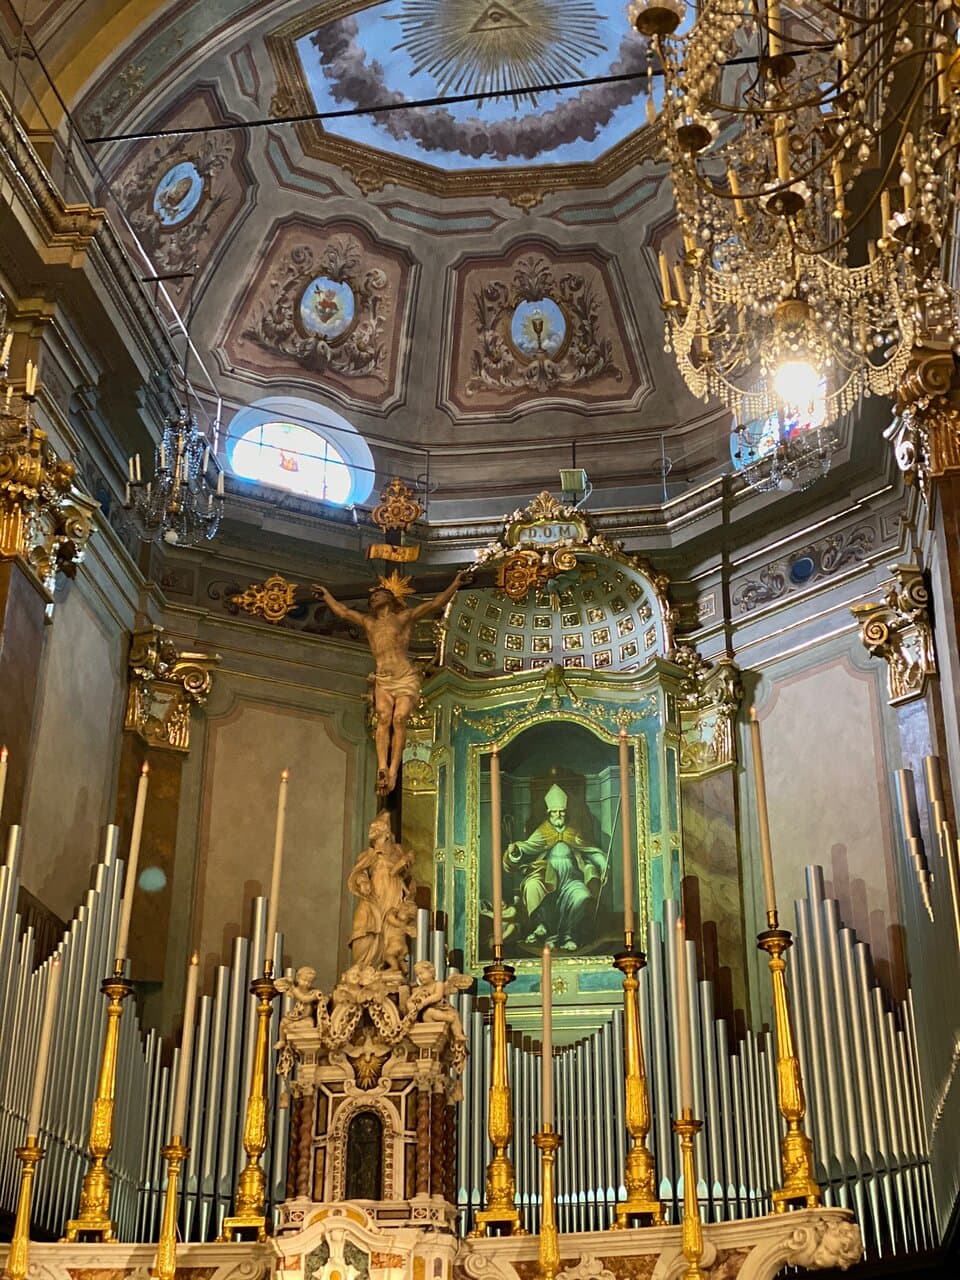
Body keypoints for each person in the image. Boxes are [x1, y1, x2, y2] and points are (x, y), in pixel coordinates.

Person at [314, 570, 468, 794]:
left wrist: (455, 584)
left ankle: (394, 769)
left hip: (405, 676)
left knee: (399, 718)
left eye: (379, 595)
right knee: (384, 717)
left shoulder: (403, 618)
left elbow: (435, 603)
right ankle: (382, 767)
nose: (374, 598)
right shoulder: (368, 623)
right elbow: (344, 612)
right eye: (372, 598)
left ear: (391, 598)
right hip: (383, 679)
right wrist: (327, 596)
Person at [503, 782, 608, 952]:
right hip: (547, 877)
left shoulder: (574, 831)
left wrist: (602, 864)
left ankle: (570, 935)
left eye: (562, 812)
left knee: (582, 895)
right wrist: (515, 851)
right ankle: (545, 930)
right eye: (555, 812)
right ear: (549, 813)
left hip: (571, 879)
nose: (559, 815)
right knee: (531, 886)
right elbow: (527, 847)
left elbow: (590, 850)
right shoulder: (543, 831)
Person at [346, 811, 415, 971]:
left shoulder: (397, 851)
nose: (374, 835)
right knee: (370, 924)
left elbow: (406, 875)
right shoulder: (368, 854)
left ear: (386, 834)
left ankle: (390, 962)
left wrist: (406, 863)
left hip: (394, 889)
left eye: (378, 831)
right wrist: (363, 882)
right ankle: (368, 963)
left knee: (392, 924)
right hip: (376, 891)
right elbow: (361, 871)